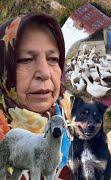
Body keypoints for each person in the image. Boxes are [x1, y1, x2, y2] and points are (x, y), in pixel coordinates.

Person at [0, 12, 72, 179]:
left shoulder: (67, 111)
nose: (45, 73)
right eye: (25, 59)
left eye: (53, 59)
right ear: (3, 66)